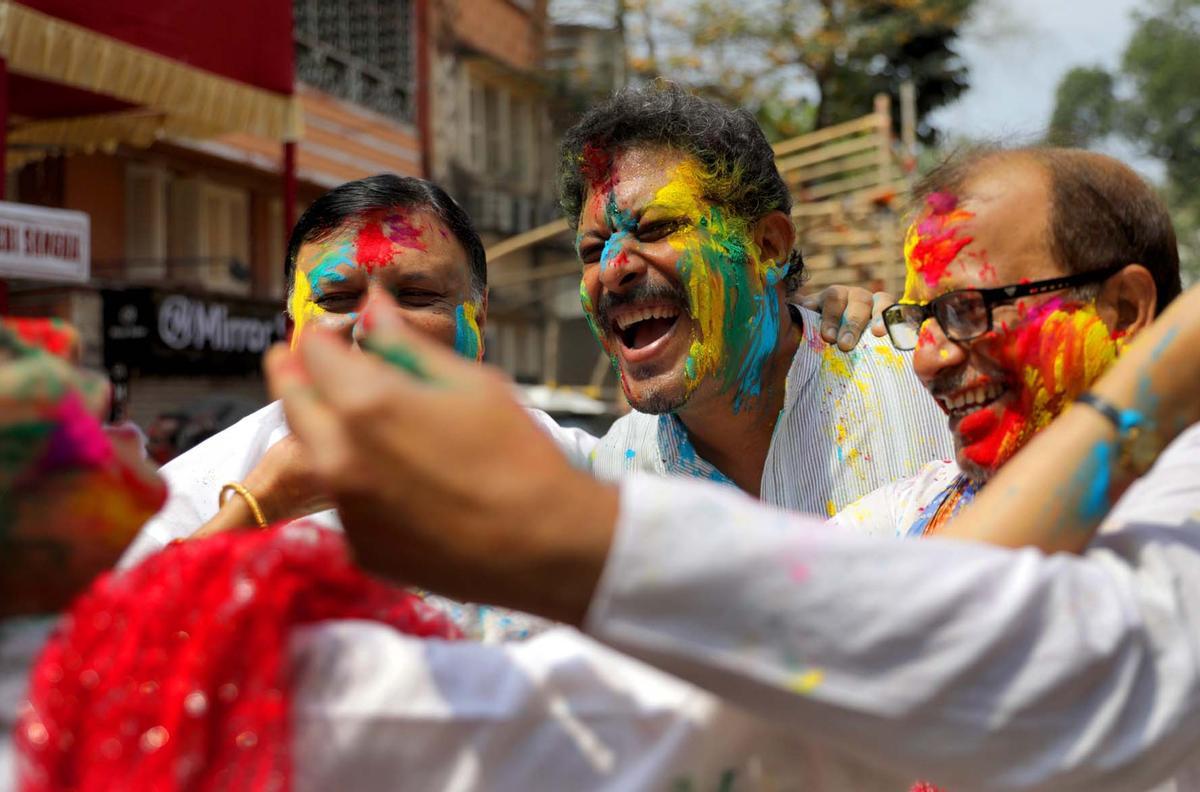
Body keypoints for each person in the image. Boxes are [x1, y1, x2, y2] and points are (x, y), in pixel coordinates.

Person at [259, 230, 1200, 789]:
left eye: (969, 309)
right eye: (591, 247)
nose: (936, 355)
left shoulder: (896, 395)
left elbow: (1023, 643)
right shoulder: (606, 463)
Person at [561, 83, 951, 515]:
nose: (614, 270)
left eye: (656, 229)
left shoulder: (928, 391)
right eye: (593, 251)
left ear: (767, 246)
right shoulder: (613, 481)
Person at [835, 145, 1183, 542]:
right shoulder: (910, 513)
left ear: (1123, 310)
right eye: (920, 318)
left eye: (967, 308)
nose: (926, 359)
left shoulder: (1176, 523)